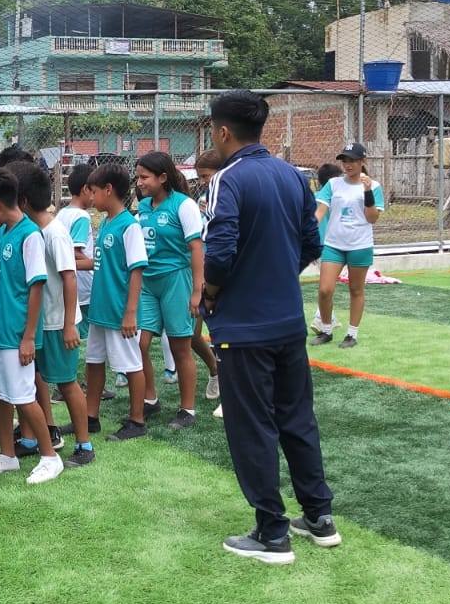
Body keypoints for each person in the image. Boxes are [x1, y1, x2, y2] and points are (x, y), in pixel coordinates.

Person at [202, 91, 339, 565]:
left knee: (252, 426)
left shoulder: (227, 179)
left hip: (243, 327)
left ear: (223, 131)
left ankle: (272, 533)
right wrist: (277, 274)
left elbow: (220, 252)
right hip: (287, 323)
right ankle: (319, 517)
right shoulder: (293, 176)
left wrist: (211, 293)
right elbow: (311, 244)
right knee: (297, 418)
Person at [0, 169, 64, 485]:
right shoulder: (6, 233)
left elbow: (36, 286)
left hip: (15, 335)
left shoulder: (29, 236)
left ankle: (50, 456)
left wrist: (28, 337)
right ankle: (7, 455)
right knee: (2, 396)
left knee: (24, 397)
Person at [10, 161, 95, 467]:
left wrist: (70, 324)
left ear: (21, 201)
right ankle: (33, 438)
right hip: (42, 323)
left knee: (67, 382)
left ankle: (84, 444)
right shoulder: (32, 231)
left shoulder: (55, 233)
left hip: (59, 323)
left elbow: (69, 277)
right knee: (34, 380)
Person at [134, 151, 206, 430]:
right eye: (138, 177)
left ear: (163, 177)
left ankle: (187, 409)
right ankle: (150, 399)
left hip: (176, 280)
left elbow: (196, 248)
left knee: (180, 347)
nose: (139, 182)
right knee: (139, 344)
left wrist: (197, 290)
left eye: (145, 177)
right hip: (148, 282)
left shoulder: (184, 205)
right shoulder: (143, 206)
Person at [82, 164, 149, 441]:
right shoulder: (106, 223)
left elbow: (137, 269)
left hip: (119, 311)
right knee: (93, 361)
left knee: (131, 364)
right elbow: (102, 263)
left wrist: (130, 312)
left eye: (94, 192)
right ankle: (90, 417)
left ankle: (137, 420)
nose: (91, 197)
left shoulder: (129, 226)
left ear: (108, 190)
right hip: (100, 310)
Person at [312, 143, 386, 349]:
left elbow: (372, 218)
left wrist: (368, 191)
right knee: (325, 290)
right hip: (333, 245)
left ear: (363, 161)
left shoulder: (374, 186)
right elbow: (319, 212)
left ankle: (351, 334)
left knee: (356, 290)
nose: (347, 164)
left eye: (352, 160)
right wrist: (306, 230)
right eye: (344, 160)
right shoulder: (333, 184)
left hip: (360, 246)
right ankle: (326, 330)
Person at [190, 150, 223, 408]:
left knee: (223, 333)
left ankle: (230, 389)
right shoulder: (202, 200)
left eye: (206, 176)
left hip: (222, 273)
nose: (203, 181)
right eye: (200, 177)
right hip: (203, 272)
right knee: (191, 333)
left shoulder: (229, 197)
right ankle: (215, 370)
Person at [55, 162, 97, 336]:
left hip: (69, 285)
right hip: (84, 286)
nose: (95, 196)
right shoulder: (82, 216)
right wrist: (93, 264)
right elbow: (74, 251)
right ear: (85, 189)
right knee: (86, 334)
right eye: (94, 191)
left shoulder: (62, 213)